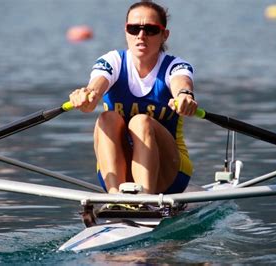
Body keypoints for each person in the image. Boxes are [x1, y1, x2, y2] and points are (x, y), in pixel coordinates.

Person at [69, 1, 197, 194]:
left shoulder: (176, 66)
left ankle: (145, 199)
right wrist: (88, 97)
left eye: (151, 30)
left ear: (164, 35)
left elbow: (182, 83)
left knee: (140, 122)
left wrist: (185, 96)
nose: (141, 36)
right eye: (134, 28)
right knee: (107, 118)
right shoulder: (112, 62)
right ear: (126, 31)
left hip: (170, 174)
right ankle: (114, 198)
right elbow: (96, 87)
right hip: (115, 174)